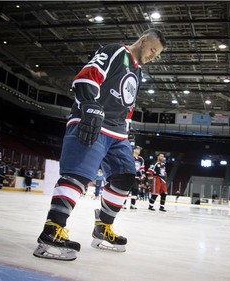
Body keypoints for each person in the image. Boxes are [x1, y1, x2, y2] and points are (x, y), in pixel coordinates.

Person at [33, 28, 166, 261]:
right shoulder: (116, 51)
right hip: (91, 122)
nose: (153, 56)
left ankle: (102, 228)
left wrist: (125, 133)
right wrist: (90, 106)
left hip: (117, 133)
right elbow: (87, 76)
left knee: (125, 177)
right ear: (143, 40)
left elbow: (128, 105)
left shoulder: (138, 72)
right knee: (77, 176)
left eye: (157, 54)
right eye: (153, 50)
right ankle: (51, 231)